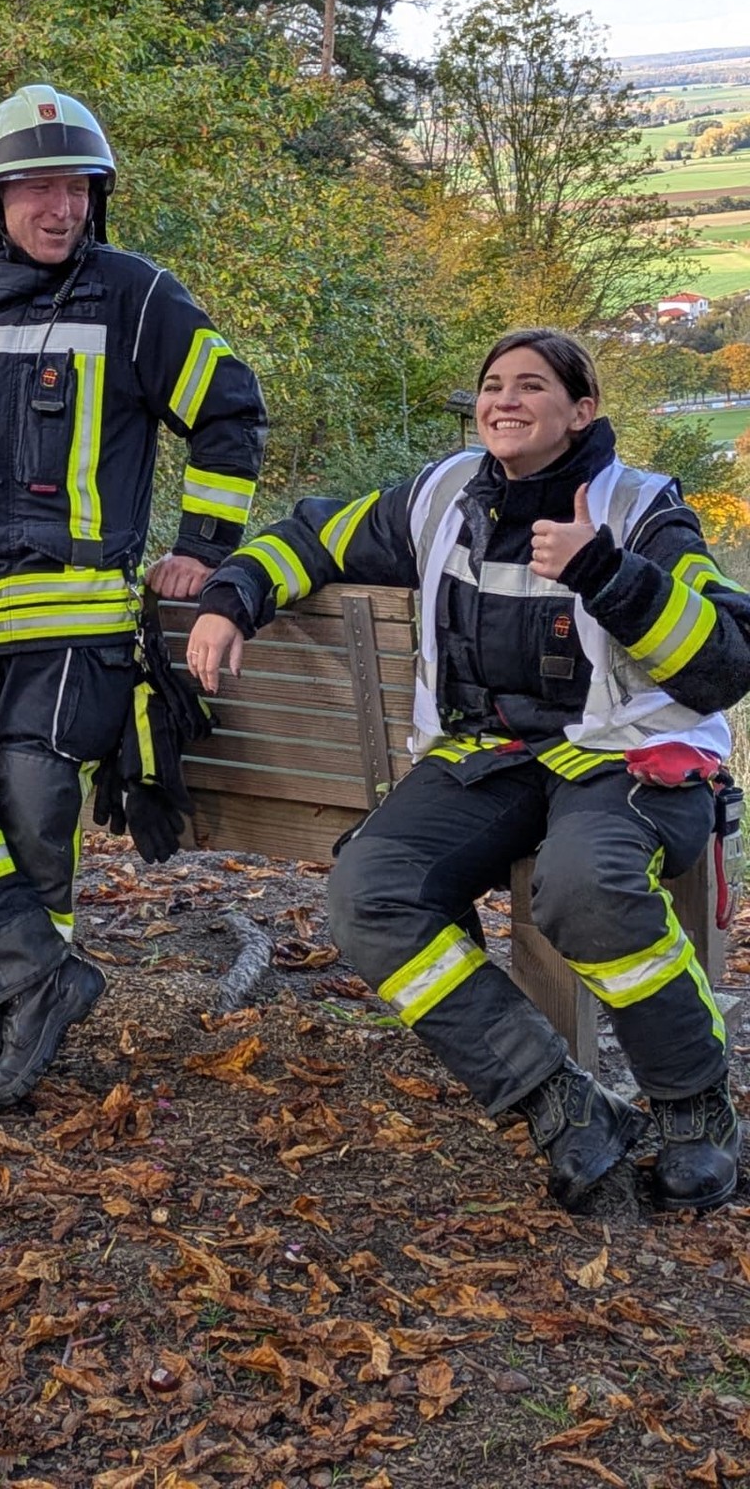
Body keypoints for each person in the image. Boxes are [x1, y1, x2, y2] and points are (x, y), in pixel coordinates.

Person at [187, 328, 747, 1212]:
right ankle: (557, 1101)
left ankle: (692, 1104)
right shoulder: (443, 493)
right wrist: (232, 598)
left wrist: (609, 572)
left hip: (625, 759)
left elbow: (723, 664)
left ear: (581, 412)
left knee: (584, 884)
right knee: (369, 892)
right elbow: (314, 535)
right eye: (493, 386)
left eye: (532, 386)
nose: (506, 401)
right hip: (490, 760)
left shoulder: (642, 508)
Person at [0, 84, 266, 1112]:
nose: (63, 209)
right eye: (38, 189)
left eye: (79, 189)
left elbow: (230, 412)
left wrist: (203, 547)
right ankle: (36, 985)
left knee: (35, 808)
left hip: (74, 620)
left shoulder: (136, 297)